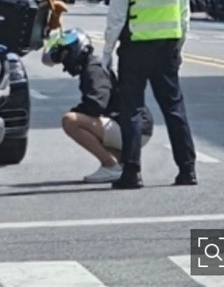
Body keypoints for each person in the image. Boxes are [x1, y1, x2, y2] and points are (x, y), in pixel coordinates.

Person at [102, 0, 197, 189]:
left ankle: (132, 172)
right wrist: (178, 48)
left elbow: (116, 17)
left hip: (135, 50)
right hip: (167, 49)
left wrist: (107, 53)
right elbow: (184, 15)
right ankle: (187, 170)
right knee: (174, 109)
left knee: (131, 110)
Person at [43, 28, 154, 183]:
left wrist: (76, 112)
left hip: (134, 129)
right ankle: (122, 163)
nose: (65, 65)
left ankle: (110, 166)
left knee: (70, 120)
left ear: (75, 50)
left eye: (64, 56)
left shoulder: (93, 69)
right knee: (82, 120)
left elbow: (96, 104)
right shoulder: (93, 66)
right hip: (135, 127)